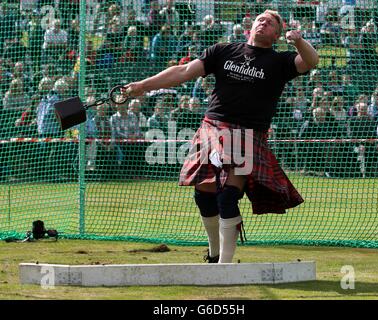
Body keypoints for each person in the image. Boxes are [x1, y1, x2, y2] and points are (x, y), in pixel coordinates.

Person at [124, 10, 319, 263]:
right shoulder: (223, 51)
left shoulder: (281, 61)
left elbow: (311, 62)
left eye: (271, 22)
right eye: (261, 19)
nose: (264, 22)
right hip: (213, 127)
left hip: (247, 135)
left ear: (277, 34)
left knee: (227, 195)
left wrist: (300, 42)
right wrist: (142, 86)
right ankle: (214, 255)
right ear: (250, 26)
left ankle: (225, 266)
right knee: (203, 196)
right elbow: (183, 71)